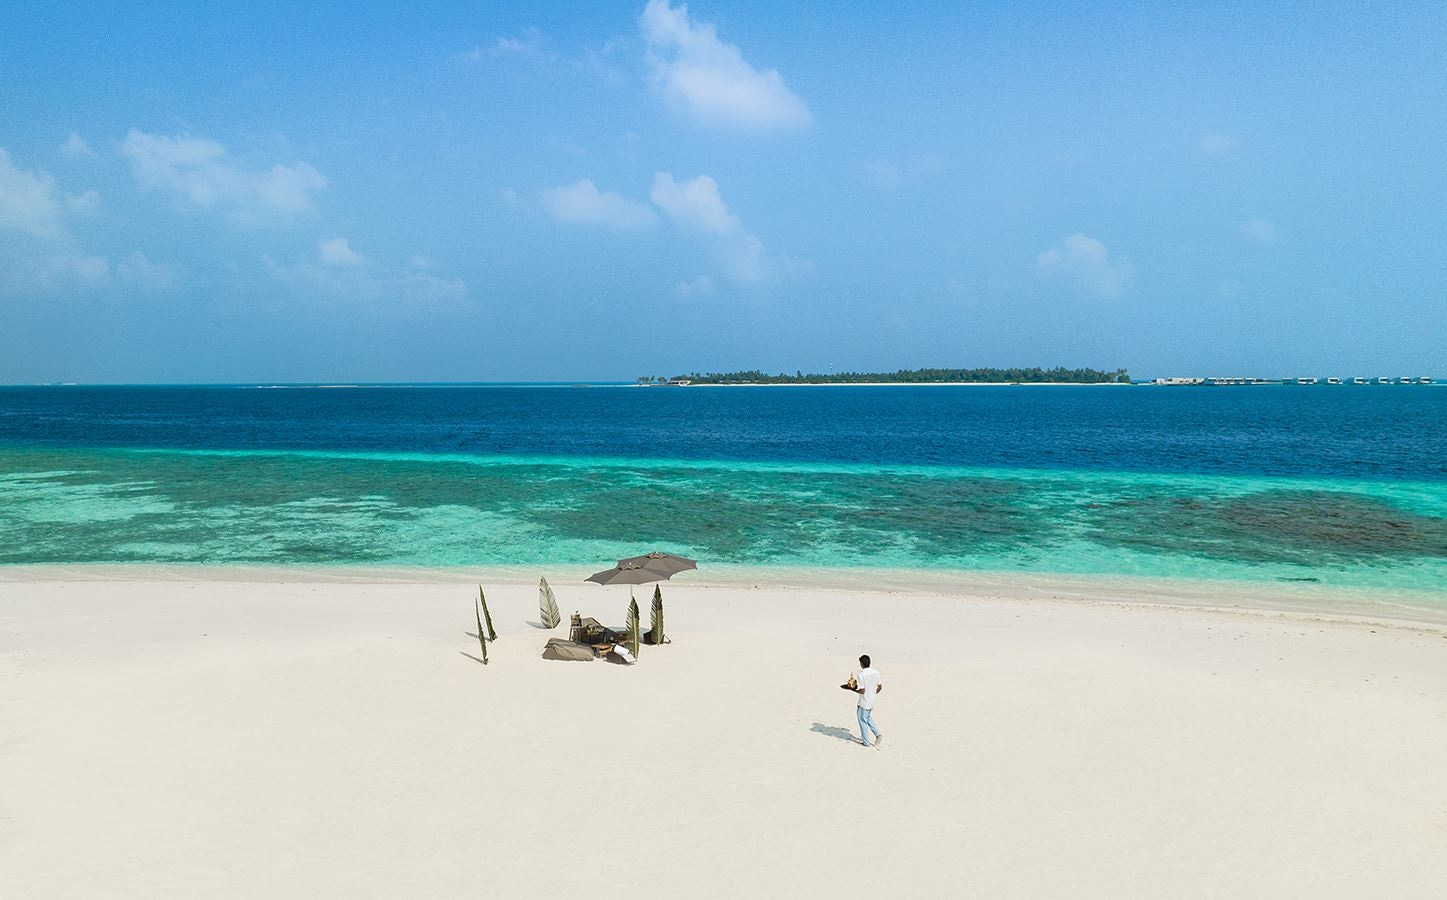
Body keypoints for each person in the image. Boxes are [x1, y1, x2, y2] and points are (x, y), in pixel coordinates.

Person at [843, 654, 883, 748]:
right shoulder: (876, 672)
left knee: (862, 720)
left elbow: (862, 690)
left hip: (864, 702)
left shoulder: (861, 674)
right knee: (868, 718)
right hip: (872, 700)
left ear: (861, 663)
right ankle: (878, 735)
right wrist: (872, 694)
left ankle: (866, 742)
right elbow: (880, 687)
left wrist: (852, 689)